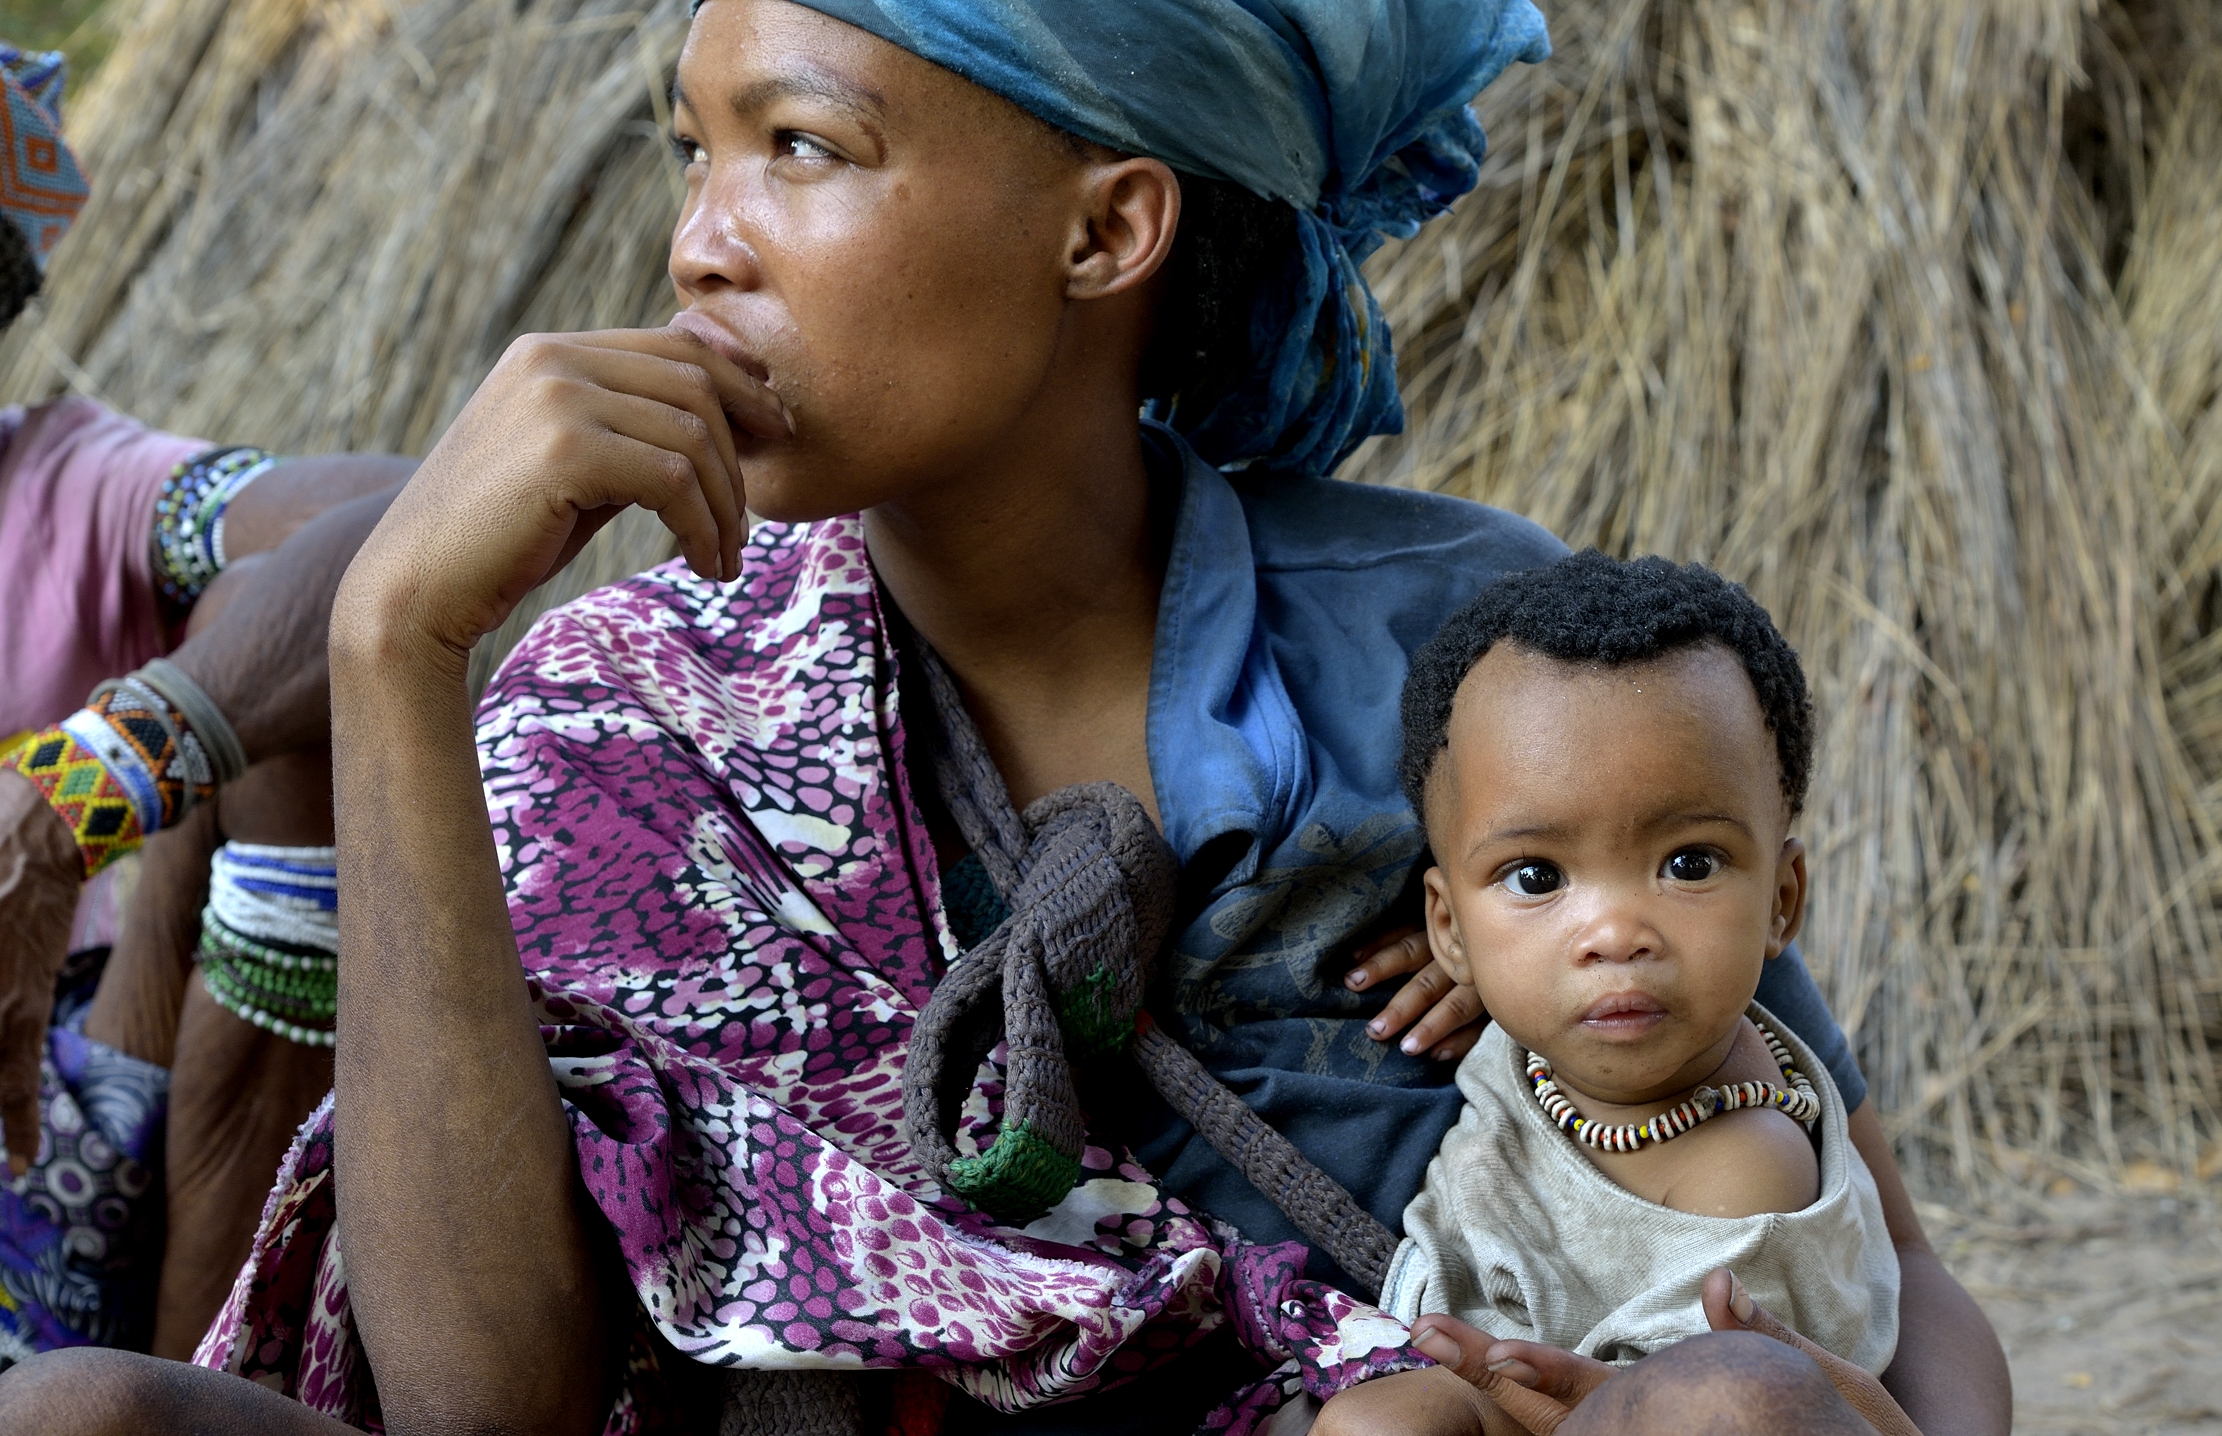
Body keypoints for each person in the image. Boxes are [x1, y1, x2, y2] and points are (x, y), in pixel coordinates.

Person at [0, 2, 2011, 1433]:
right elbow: (478, 1402)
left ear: (1104, 230)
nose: (703, 236)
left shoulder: (1458, 659)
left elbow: (1869, 1229)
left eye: (801, 147)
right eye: (691, 151)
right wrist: (393, 654)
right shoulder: (622, 710)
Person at [0, 41, 414, 1362]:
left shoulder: (70, 490)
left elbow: (411, 518)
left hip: (107, 1135)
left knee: (276, 652)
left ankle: (207, 1368)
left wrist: (78, 794)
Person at [1316, 553, 1904, 1436]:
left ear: (1781, 902)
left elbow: (1700, 1406)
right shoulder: (1522, 1046)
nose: (1613, 932)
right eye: (1537, 876)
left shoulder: (1748, 1165)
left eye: (1688, 864)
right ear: (1448, 929)